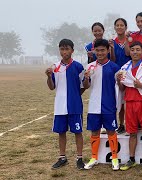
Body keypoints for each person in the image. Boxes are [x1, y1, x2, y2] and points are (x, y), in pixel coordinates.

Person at [45, 39, 85, 170]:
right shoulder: (55, 67)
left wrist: (75, 95)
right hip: (60, 106)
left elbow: (84, 85)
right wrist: (49, 77)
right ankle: (62, 157)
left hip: (74, 106)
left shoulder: (79, 66)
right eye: (62, 49)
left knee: (77, 132)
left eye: (67, 49)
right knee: (61, 132)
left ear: (72, 50)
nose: (64, 51)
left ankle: (79, 158)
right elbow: (52, 87)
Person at [117, 41, 142, 172]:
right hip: (130, 102)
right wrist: (118, 80)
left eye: (137, 49)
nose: (135, 52)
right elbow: (122, 88)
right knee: (132, 132)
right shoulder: (124, 68)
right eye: (132, 49)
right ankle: (132, 159)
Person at [83, 39, 120, 171]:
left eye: (102, 50)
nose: (100, 53)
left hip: (109, 105)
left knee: (111, 130)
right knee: (94, 131)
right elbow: (86, 86)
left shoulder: (114, 67)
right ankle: (94, 158)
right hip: (94, 105)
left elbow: (120, 86)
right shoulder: (89, 66)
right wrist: (86, 78)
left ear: (107, 50)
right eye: (97, 50)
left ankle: (114, 158)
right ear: (94, 51)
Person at [109, 18, 131, 134]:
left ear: (126, 27)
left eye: (122, 25)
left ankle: (130, 124)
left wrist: (127, 40)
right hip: (117, 73)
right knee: (120, 100)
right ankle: (121, 124)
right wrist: (111, 48)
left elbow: (128, 53)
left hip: (129, 72)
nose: (119, 27)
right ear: (114, 27)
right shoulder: (113, 41)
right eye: (117, 25)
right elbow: (112, 60)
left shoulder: (130, 39)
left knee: (130, 99)